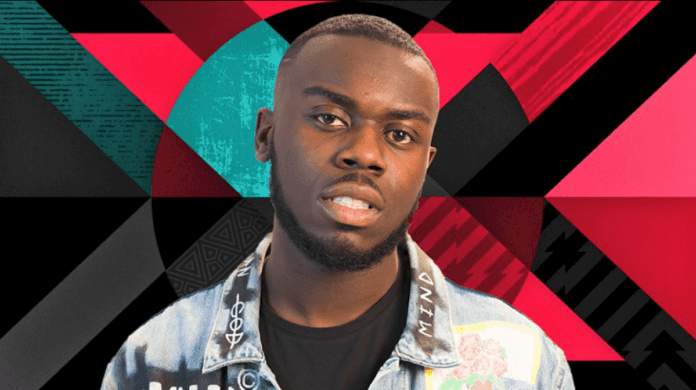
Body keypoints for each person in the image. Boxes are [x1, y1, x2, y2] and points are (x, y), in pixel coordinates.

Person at [101, 14, 575, 390]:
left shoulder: (522, 368)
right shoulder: (157, 360)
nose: (366, 154)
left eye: (399, 134)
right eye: (329, 118)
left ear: (425, 165)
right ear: (266, 135)